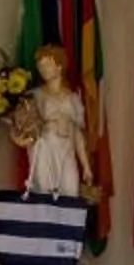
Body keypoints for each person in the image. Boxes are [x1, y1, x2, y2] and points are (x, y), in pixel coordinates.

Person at [21, 42, 91, 201]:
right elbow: (24, 126)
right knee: (44, 195)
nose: (43, 69)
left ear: (59, 66)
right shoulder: (35, 96)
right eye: (40, 66)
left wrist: (86, 166)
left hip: (66, 150)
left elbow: (77, 135)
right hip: (44, 149)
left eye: (47, 65)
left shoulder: (73, 98)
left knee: (71, 191)